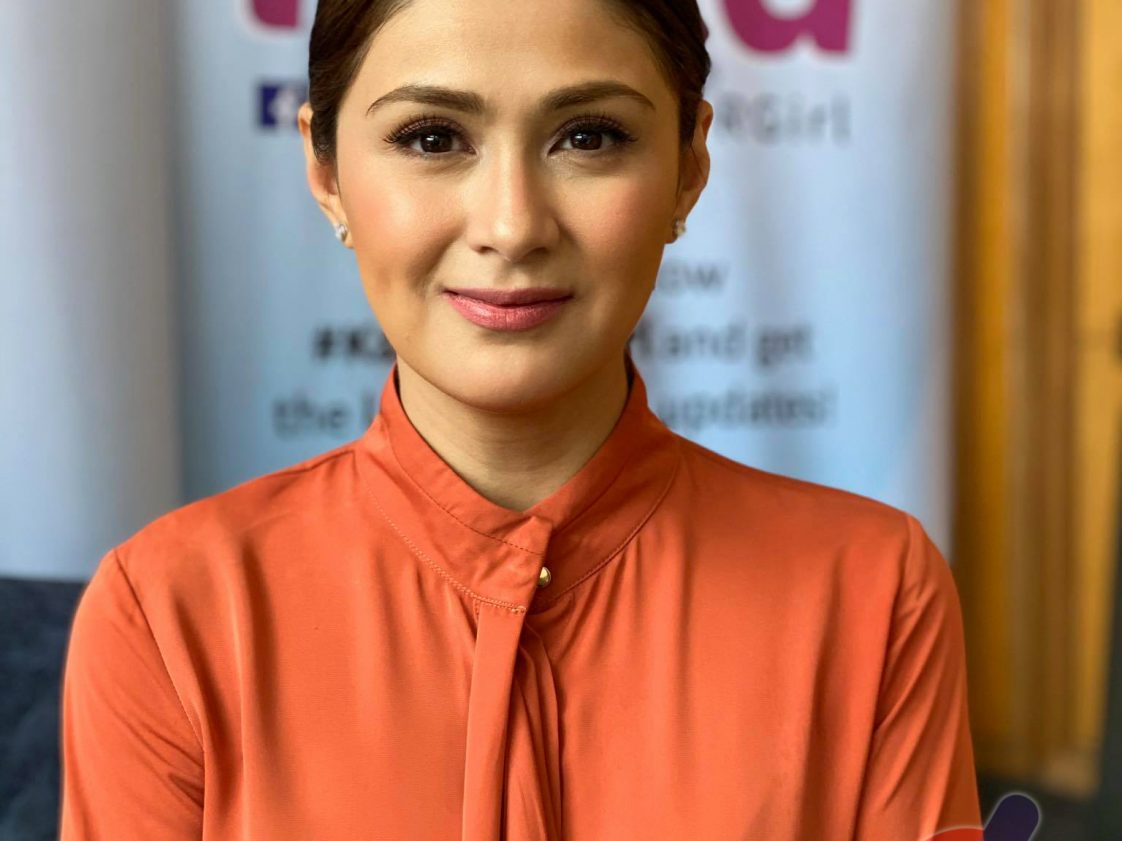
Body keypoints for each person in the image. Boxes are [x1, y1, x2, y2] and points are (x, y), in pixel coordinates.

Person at [58, 0, 983, 838]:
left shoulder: (870, 592)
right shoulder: (170, 613)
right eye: (431, 139)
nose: (511, 225)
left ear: (689, 167)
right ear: (326, 171)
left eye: (588, 136)